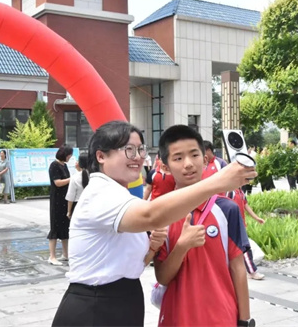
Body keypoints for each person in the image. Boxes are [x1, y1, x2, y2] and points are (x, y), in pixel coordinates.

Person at [51, 121, 256, 327]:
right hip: (95, 308)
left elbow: (131, 264)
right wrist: (219, 181)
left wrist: (152, 248)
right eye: (128, 150)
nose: (138, 157)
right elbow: (151, 216)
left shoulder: (122, 197)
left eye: (140, 149)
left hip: (121, 302)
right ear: (101, 156)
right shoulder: (100, 193)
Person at [153, 125, 252, 327]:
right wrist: (182, 246)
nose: (188, 164)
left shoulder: (227, 210)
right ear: (165, 166)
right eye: (178, 158)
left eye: (194, 155)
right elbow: (162, 277)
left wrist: (244, 320)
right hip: (177, 318)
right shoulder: (160, 213)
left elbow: (238, 268)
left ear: (205, 159)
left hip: (222, 317)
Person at [226, 188, 266, 280]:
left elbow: (245, 205)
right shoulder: (230, 191)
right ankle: (252, 271)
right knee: (245, 248)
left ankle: (248, 271)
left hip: (239, 224)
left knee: (242, 248)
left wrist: (256, 218)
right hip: (233, 225)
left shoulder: (240, 191)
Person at [47, 145, 72, 266]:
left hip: (65, 199)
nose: (70, 158)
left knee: (65, 227)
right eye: (69, 155)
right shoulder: (54, 165)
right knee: (55, 227)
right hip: (56, 199)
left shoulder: (64, 165)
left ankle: (65, 254)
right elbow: (57, 183)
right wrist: (72, 179)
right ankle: (52, 256)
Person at [65, 153, 89, 219]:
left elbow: (70, 197)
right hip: (92, 205)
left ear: (79, 163)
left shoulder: (75, 177)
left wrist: (69, 211)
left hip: (77, 206)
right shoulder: (95, 176)